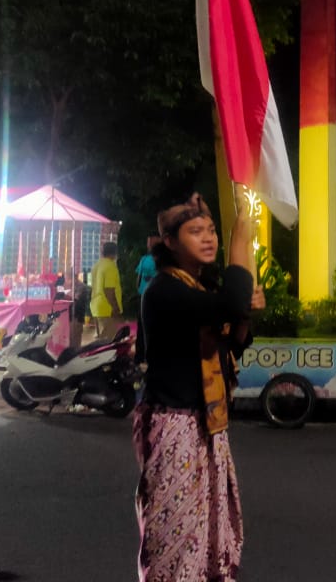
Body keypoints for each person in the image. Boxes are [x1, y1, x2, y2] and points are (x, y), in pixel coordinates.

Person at [132, 190, 264, 582]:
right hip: (174, 422)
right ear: (170, 243)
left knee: (208, 529)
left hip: (206, 422)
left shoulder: (199, 288)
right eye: (195, 231)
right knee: (176, 531)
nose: (208, 238)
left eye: (212, 230)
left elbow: (233, 339)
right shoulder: (165, 289)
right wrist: (242, 240)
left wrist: (245, 314)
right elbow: (230, 302)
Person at [89, 242, 124, 341]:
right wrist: (115, 309)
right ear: (115, 253)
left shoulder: (96, 265)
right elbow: (109, 290)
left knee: (100, 340)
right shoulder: (111, 266)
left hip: (96, 306)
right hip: (107, 308)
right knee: (109, 341)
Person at [69, 272, 91, 350]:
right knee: (71, 337)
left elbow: (75, 299)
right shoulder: (71, 285)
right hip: (71, 315)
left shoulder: (81, 286)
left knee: (75, 337)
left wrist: (66, 295)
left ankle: (76, 353)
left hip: (76, 316)